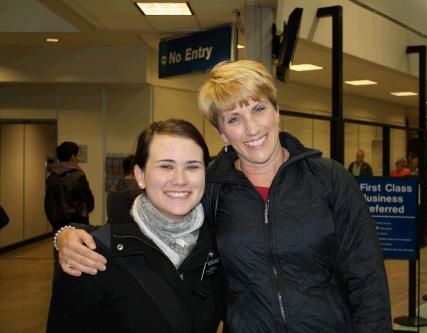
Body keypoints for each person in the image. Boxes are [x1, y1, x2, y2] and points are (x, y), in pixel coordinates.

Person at [55, 60, 392, 332]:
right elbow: (155, 201)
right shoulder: (212, 186)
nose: (252, 129)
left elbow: (366, 278)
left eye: (259, 109)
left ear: (277, 111)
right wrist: (68, 235)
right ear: (221, 132)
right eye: (234, 118)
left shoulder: (329, 178)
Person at [47, 119, 225, 333]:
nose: (180, 179)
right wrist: (64, 234)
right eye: (166, 166)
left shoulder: (216, 244)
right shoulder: (90, 256)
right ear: (140, 175)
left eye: (192, 166)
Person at [44, 141, 94, 232]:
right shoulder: (78, 176)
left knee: (60, 245)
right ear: (72, 157)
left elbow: (48, 203)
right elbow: (89, 200)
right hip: (78, 223)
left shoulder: (51, 177)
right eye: (77, 155)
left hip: (57, 224)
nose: (78, 159)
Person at [106, 154, 141, 222]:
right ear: (136, 170)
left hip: (114, 229)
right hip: (132, 230)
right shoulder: (138, 191)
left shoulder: (113, 188)